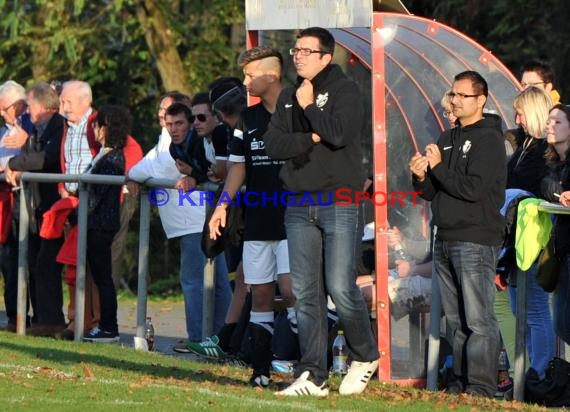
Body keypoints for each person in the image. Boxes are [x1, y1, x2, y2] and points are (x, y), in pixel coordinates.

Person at [264, 27, 379, 397]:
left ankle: (365, 355)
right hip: (298, 203)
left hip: (339, 200)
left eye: (306, 51)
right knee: (304, 293)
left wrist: (310, 107)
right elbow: (273, 144)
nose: (297, 56)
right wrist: (308, 137)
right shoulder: (288, 95)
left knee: (341, 287)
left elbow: (339, 134)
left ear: (326, 57)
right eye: (295, 49)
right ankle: (313, 373)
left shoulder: (345, 91)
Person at [409, 71, 506, 398]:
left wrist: (438, 169)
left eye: (464, 95)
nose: (456, 100)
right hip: (446, 237)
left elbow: (474, 188)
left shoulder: (490, 140)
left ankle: (481, 387)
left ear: (481, 100)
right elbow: (431, 192)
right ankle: (460, 383)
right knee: (455, 321)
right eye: (453, 94)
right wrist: (420, 176)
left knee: (478, 319)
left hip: (476, 238)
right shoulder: (446, 137)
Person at [206, 46, 298, 388]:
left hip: (294, 218)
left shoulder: (298, 111)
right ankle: (260, 370)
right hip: (258, 220)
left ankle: (305, 362)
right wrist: (222, 206)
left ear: (271, 75)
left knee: (290, 291)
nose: (245, 81)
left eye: (250, 75)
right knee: (259, 293)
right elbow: (237, 167)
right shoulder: (248, 118)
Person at [6, 83, 67, 337]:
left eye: (29, 105)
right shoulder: (40, 127)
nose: (27, 111)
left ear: (41, 106)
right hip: (40, 206)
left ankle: (52, 319)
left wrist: (14, 162)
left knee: (46, 263)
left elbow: (47, 157)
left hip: (55, 205)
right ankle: (43, 318)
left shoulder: (57, 126)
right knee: (37, 261)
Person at [505, 87, 555, 379]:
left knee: (535, 311)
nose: (516, 118)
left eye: (521, 112)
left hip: (534, 237)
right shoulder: (523, 147)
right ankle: (526, 373)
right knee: (520, 311)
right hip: (516, 237)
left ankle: (540, 372)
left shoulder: (541, 152)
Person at [81, 105, 129, 342]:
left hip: (101, 223)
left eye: (97, 126)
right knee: (100, 275)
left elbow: (97, 193)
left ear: (106, 128)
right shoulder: (106, 153)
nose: (94, 130)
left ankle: (109, 326)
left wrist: (81, 205)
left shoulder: (113, 157)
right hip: (96, 222)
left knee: (103, 277)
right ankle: (106, 325)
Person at [0, 80, 31, 332]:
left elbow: (34, 157)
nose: (2, 113)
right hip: (4, 203)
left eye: (4, 108)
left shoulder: (29, 128)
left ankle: (22, 316)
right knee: (7, 260)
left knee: (20, 260)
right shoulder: (3, 132)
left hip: (23, 200)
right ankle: (13, 315)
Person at [541, 104, 570, 345]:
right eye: (549, 120)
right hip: (561, 251)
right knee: (561, 324)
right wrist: (560, 194)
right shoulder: (552, 162)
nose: (550, 125)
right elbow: (547, 185)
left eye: (558, 122)